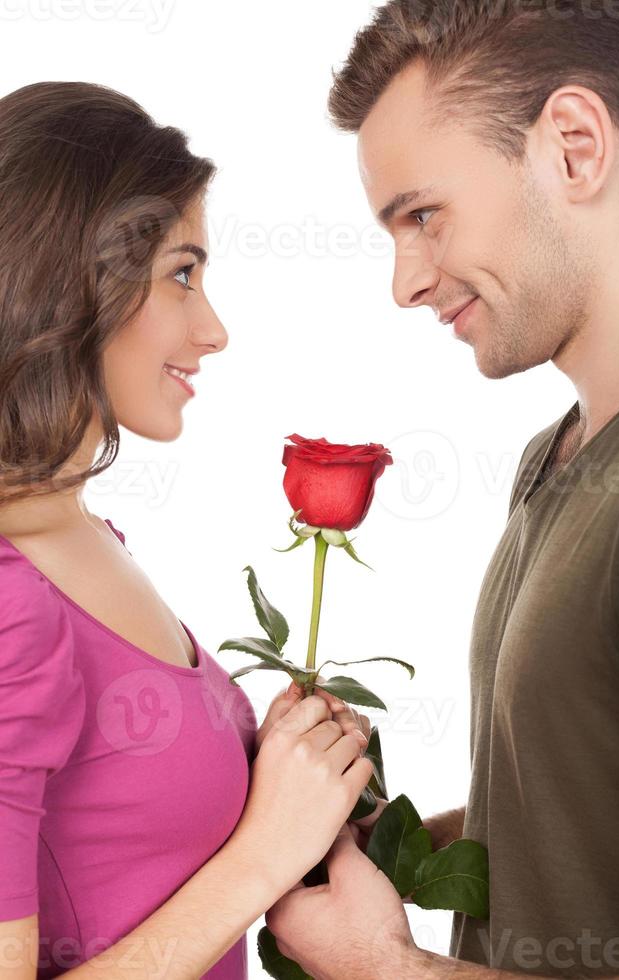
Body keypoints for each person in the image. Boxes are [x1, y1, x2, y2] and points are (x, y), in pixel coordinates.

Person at [265, 1, 619, 978]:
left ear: (574, 146)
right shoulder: (558, 454)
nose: (405, 281)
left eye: (423, 215)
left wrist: (390, 969)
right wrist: (384, 844)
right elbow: (582, 801)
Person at [0, 81, 377, 980]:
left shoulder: (88, 536)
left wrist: (288, 777)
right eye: (181, 273)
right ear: (68, 285)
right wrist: (262, 857)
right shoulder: (11, 602)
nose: (213, 329)